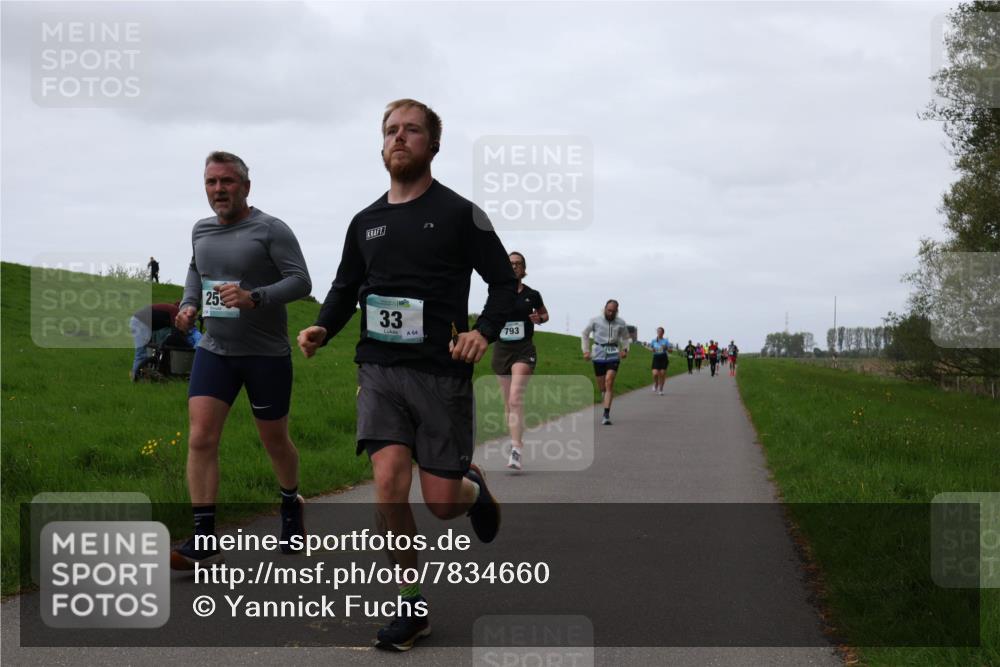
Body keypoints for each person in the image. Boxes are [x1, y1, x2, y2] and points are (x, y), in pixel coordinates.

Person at [297, 99, 514, 652]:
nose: (399, 138)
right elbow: (345, 288)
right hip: (379, 370)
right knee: (389, 482)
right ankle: (410, 606)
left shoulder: (465, 214)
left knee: (442, 503)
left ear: (432, 145)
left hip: (441, 373)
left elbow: (504, 285)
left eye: (411, 130)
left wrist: (482, 332)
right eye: (391, 131)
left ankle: (473, 487)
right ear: (381, 145)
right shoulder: (364, 222)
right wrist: (324, 327)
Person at [170, 151, 312, 570]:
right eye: (211, 182)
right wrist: (189, 304)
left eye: (227, 181)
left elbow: (302, 281)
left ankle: (290, 501)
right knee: (200, 437)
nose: (219, 190)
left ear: (245, 187)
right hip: (216, 350)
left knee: (274, 441)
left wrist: (256, 297)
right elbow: (196, 269)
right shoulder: (201, 230)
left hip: (266, 354)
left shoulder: (270, 229)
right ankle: (203, 536)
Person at [491, 251, 548, 471]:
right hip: (501, 351)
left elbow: (545, 314)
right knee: (508, 403)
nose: (514, 267)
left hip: (523, 350)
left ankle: (516, 449)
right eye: (510, 263)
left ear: (523, 269)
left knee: (515, 399)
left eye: (518, 264)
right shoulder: (496, 293)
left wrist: (539, 318)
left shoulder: (532, 294)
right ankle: (516, 438)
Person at [581, 300, 631, 425]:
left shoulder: (621, 322)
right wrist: (586, 351)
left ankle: (606, 414)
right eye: (609, 310)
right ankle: (605, 396)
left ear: (617, 311)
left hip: (614, 353)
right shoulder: (595, 320)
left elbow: (625, 337)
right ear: (604, 308)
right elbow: (585, 334)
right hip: (598, 353)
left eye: (613, 311)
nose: (611, 313)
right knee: (602, 387)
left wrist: (625, 349)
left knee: (609, 381)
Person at [129, 302, 200, 381]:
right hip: (140, 323)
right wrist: (189, 347)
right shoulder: (176, 312)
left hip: (140, 321)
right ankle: (135, 378)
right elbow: (177, 333)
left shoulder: (171, 310)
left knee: (148, 352)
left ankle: (146, 376)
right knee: (141, 354)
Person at [650, 327, 670, 395]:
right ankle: (656, 384)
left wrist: (666, 348)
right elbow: (651, 348)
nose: (659, 333)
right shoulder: (653, 340)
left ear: (663, 333)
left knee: (662, 373)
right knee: (655, 374)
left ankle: (661, 390)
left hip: (663, 357)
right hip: (656, 357)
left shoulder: (666, 341)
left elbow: (671, 350)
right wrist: (652, 350)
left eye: (660, 331)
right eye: (658, 331)